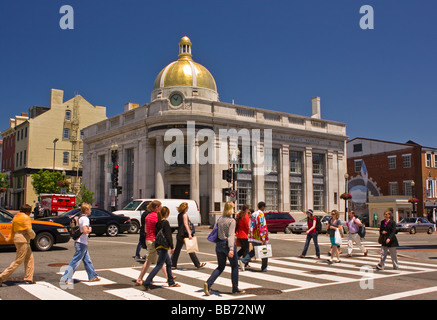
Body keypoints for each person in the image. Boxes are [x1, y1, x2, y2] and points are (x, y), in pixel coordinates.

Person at [204, 201, 245, 296]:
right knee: (234, 266)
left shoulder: (220, 219)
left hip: (219, 244)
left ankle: (208, 283)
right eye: (233, 208)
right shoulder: (232, 221)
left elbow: (215, 230)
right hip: (227, 244)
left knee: (220, 266)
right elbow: (231, 235)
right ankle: (235, 288)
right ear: (231, 209)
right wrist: (231, 248)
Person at [61, 203, 100, 284]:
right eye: (90, 209)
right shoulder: (85, 219)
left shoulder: (80, 217)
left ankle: (92, 276)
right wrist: (90, 229)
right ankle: (66, 278)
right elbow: (85, 231)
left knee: (87, 260)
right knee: (75, 261)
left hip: (80, 242)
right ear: (86, 210)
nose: (91, 211)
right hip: (81, 242)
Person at [142, 207, 180, 290]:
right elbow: (168, 236)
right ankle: (147, 282)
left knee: (169, 263)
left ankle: (171, 282)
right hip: (164, 246)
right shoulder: (165, 222)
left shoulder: (158, 223)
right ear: (166, 214)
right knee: (159, 265)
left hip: (158, 245)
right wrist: (172, 246)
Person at [0, 204, 36, 286]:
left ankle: (28, 278)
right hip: (23, 240)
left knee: (30, 258)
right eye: (30, 212)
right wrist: (33, 236)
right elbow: (29, 230)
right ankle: (2, 277)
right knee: (18, 260)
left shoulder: (15, 217)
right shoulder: (26, 217)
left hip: (17, 239)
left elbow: (12, 230)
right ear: (28, 212)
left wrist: (8, 238)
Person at [136, 200, 169, 285]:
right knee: (149, 261)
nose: (161, 208)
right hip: (154, 240)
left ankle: (168, 277)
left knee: (160, 260)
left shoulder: (147, 216)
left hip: (148, 238)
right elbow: (159, 228)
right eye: (160, 207)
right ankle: (140, 278)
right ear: (156, 207)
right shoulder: (156, 216)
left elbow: (146, 229)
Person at [171, 202, 206, 269]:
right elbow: (186, 224)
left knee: (177, 250)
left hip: (180, 234)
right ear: (185, 208)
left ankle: (173, 264)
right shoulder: (185, 215)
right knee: (190, 249)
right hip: (185, 234)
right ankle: (197, 264)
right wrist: (189, 233)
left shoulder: (179, 215)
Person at [239, 201, 269, 272]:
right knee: (264, 252)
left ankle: (243, 261)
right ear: (263, 207)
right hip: (259, 237)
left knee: (254, 251)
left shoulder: (253, 214)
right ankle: (264, 267)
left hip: (254, 236)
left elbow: (250, 224)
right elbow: (261, 226)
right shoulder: (260, 215)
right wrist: (263, 237)